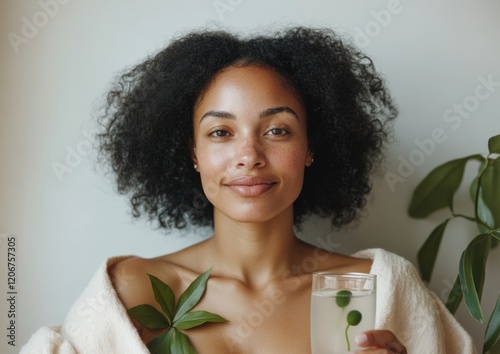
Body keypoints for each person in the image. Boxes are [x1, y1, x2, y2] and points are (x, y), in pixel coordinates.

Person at [21, 27, 477, 353]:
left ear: (312, 148)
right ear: (193, 153)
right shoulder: (129, 293)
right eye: (221, 133)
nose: (249, 155)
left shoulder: (377, 289)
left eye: (277, 130)